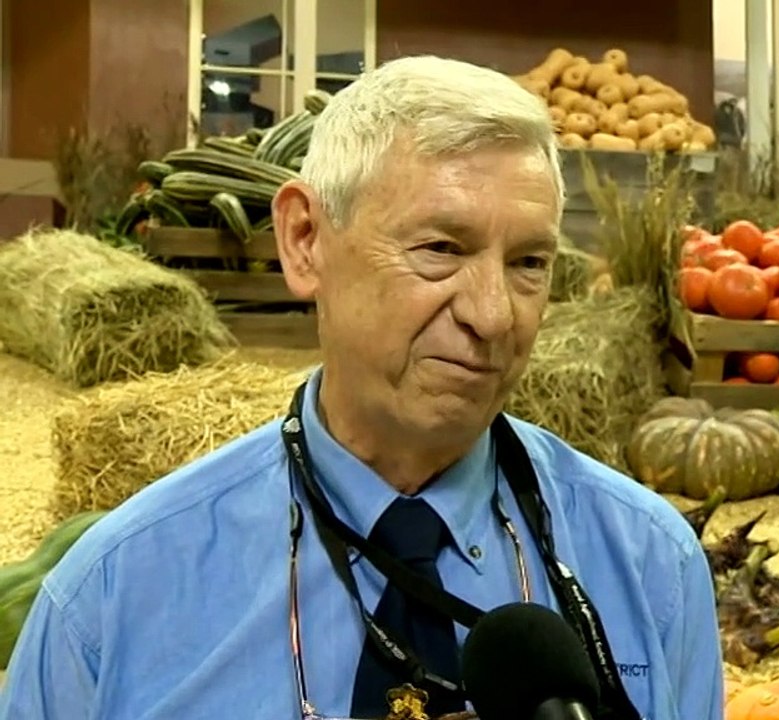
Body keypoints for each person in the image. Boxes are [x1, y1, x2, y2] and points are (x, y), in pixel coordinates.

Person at [0, 55, 723, 720]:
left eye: (529, 262)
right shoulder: (114, 598)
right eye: (441, 249)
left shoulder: (649, 567)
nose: (494, 314)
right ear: (305, 240)